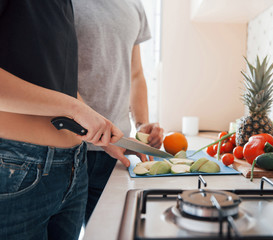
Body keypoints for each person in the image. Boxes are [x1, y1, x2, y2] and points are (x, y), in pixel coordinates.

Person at [0, 1, 130, 239]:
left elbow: (61, 83)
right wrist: (73, 108)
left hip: (73, 168)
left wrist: (99, 127)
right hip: (15, 169)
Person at [73, 0, 164, 224]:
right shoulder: (62, 4)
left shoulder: (135, 5)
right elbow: (54, 73)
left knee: (108, 231)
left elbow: (135, 74)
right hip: (67, 150)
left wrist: (142, 125)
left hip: (116, 154)